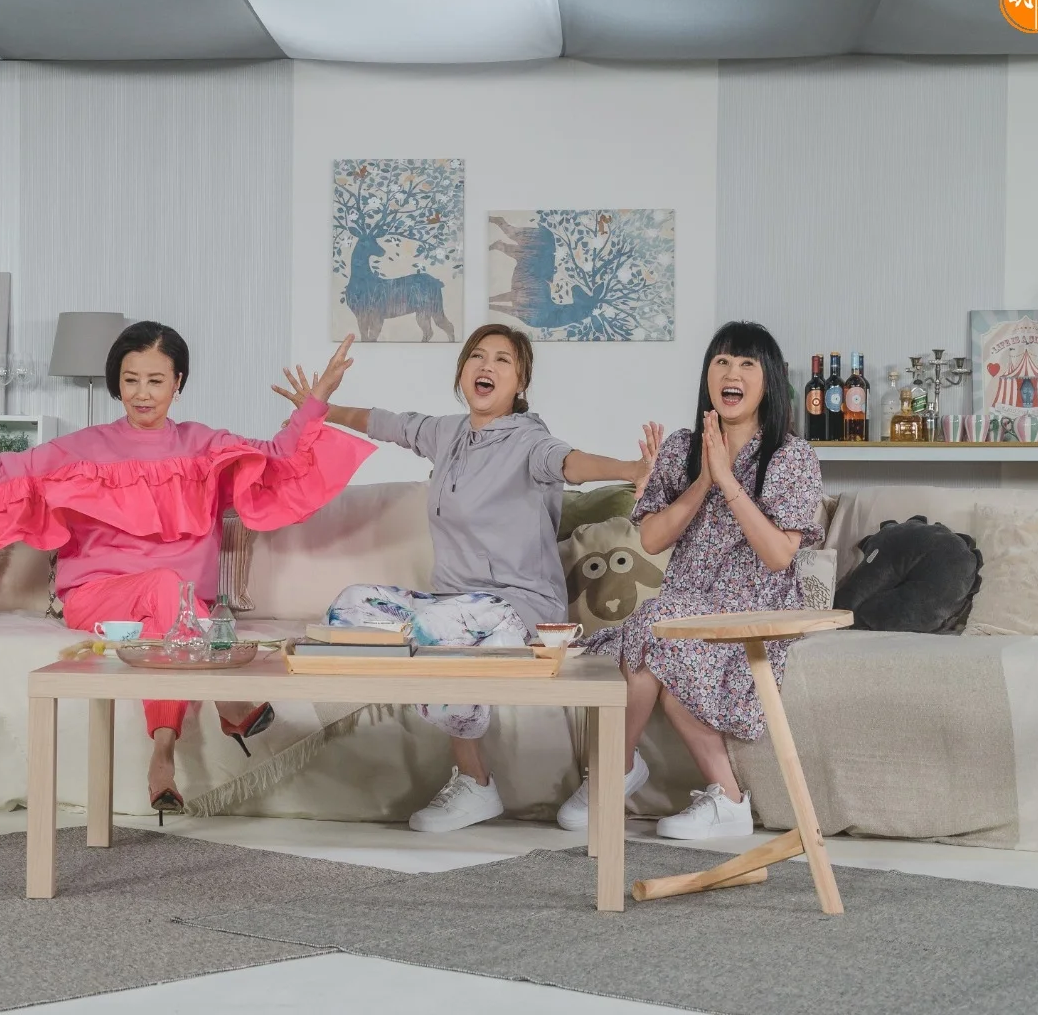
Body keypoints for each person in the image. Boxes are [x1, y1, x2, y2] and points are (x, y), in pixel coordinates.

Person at [0, 321, 373, 822]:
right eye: (131, 379)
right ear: (117, 381)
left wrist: (318, 400)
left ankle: (163, 755)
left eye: (155, 380)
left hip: (182, 611)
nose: (142, 393)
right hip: (99, 598)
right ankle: (228, 701)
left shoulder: (204, 445)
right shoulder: (84, 447)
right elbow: (11, 469)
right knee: (171, 593)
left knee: (176, 613)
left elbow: (278, 459)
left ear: (178, 382)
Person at [274, 323, 660, 833]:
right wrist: (320, 407)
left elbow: (570, 464)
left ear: (520, 383)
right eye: (477, 356)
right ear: (462, 372)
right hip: (451, 609)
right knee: (351, 605)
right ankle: (477, 785)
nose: (486, 366)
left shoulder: (529, 440)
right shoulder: (448, 433)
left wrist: (631, 468)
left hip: (517, 610)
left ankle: (475, 767)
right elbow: (385, 422)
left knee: (438, 637)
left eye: (503, 360)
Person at [566, 321, 823, 840]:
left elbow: (778, 555)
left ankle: (614, 771)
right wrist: (704, 478)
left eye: (747, 364)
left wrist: (728, 480)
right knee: (661, 639)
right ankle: (721, 800)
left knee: (653, 629)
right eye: (721, 362)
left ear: (769, 381)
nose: (731, 373)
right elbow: (652, 539)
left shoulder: (790, 456)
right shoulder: (683, 447)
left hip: (754, 607)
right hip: (687, 601)